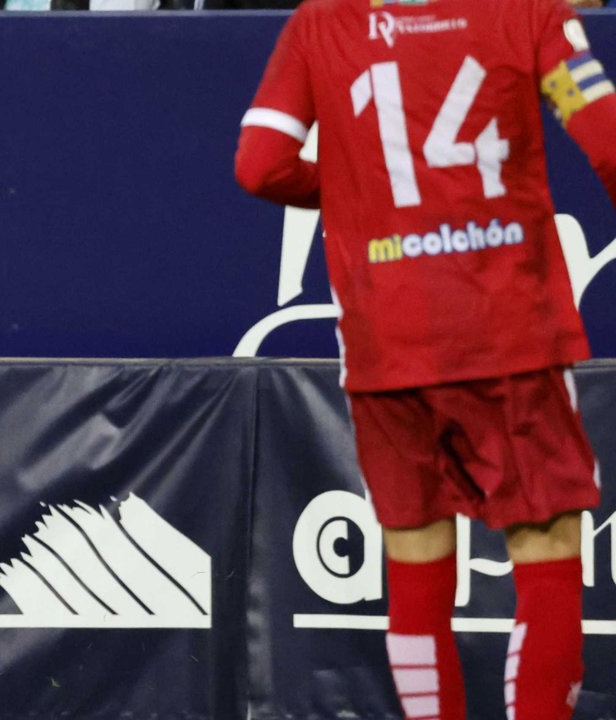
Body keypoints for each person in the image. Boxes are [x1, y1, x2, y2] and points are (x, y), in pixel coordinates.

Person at [237, 0, 616, 717]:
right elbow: (606, 139)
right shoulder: (529, 13)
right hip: (508, 334)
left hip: (387, 339)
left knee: (415, 573)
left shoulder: (320, 24)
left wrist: (358, 190)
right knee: (547, 554)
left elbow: (260, 166)